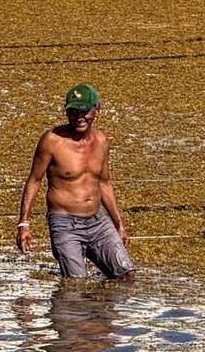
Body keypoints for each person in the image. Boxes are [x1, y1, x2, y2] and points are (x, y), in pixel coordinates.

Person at [15, 83, 136, 281]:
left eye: (84, 111)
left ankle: (105, 311)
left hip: (97, 221)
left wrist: (119, 223)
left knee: (127, 275)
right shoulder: (52, 140)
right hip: (65, 223)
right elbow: (34, 181)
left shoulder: (102, 141)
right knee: (76, 285)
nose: (79, 117)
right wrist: (23, 223)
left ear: (96, 110)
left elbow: (104, 183)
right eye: (72, 111)